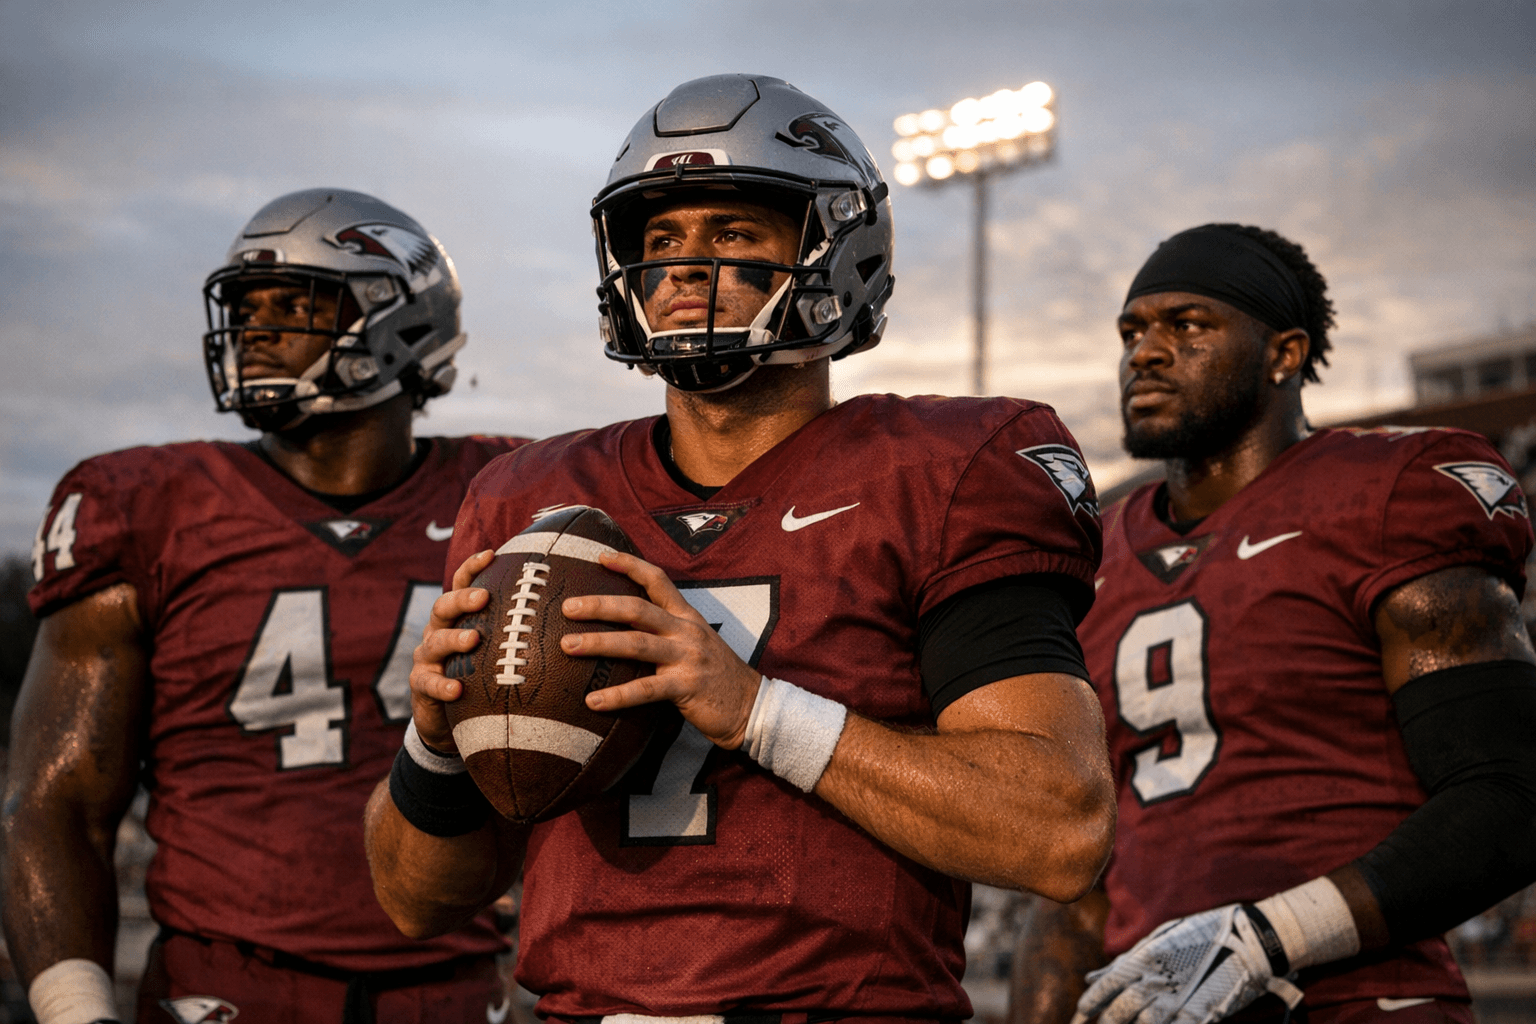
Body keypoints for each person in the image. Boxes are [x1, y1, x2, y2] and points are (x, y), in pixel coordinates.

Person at [363, 74, 1116, 1022]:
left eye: (732, 233)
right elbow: (412, 900)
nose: (682, 267)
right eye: (661, 238)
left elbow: (1058, 828)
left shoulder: (945, 468)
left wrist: (757, 710)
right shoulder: (528, 503)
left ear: (836, 249)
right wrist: (435, 745)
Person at [4, 188, 530, 1024]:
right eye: (246, 308)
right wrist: (76, 1011)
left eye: (297, 304)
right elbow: (57, 800)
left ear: (403, 322)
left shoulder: (511, 495)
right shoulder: (145, 505)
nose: (258, 329)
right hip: (223, 993)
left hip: (454, 989)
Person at [1007, 224, 1536, 1024]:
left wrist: (1271, 936)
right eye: (1132, 331)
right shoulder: (1094, 558)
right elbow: (1081, 883)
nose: (1145, 353)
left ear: (1284, 354)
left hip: (1356, 1002)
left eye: (1187, 325)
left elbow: (1511, 792)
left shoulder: (1385, 497)